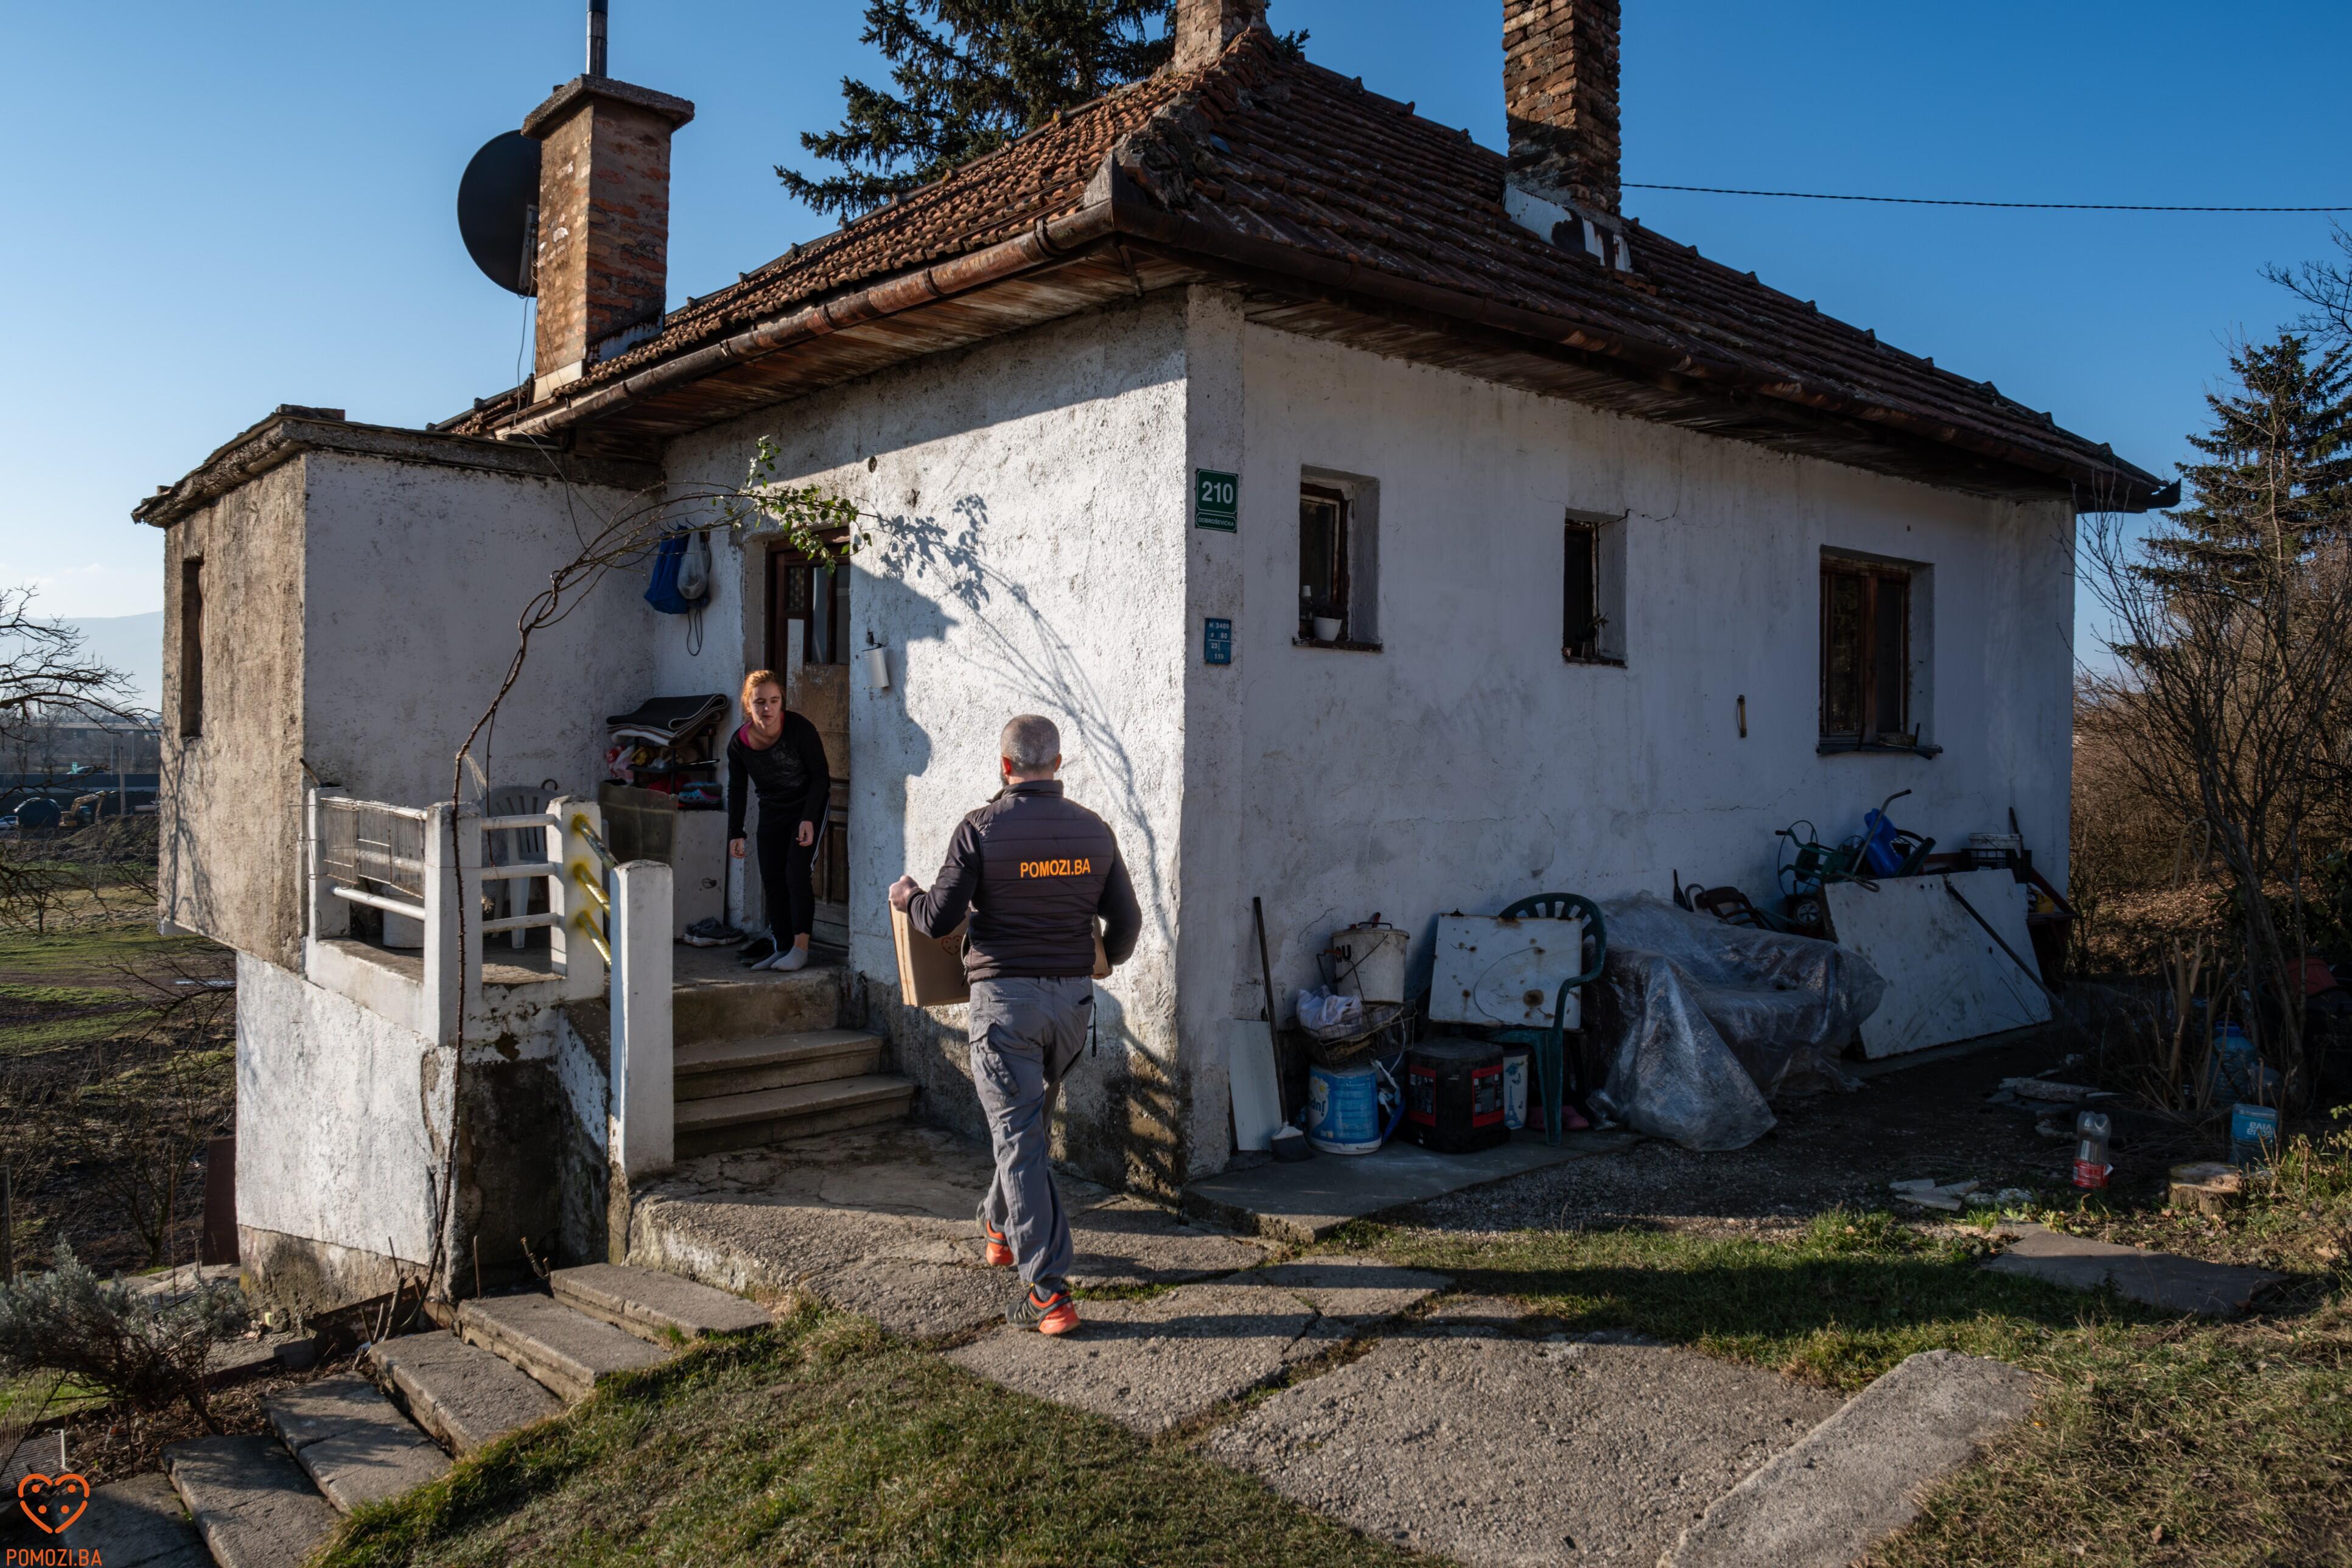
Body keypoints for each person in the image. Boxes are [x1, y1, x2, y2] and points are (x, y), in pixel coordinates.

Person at [891, 715, 1141, 1337]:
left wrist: (909, 899)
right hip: (1072, 1009)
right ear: (1057, 765)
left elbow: (941, 916)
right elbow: (1127, 927)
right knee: (1024, 1126)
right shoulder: (1094, 830)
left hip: (1005, 1006)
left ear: (1005, 766)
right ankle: (1000, 1229)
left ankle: (1048, 1292)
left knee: (1020, 1139)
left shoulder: (980, 827)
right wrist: (1090, 952)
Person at [729, 670, 832, 971]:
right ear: (748, 704)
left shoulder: (799, 728)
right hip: (772, 809)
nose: (768, 708)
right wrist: (736, 831)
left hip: (807, 807)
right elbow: (737, 787)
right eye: (760, 702)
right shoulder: (739, 743)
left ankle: (800, 949)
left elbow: (820, 777)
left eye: (774, 701)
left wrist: (809, 819)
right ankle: (782, 946)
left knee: (796, 873)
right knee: (772, 877)